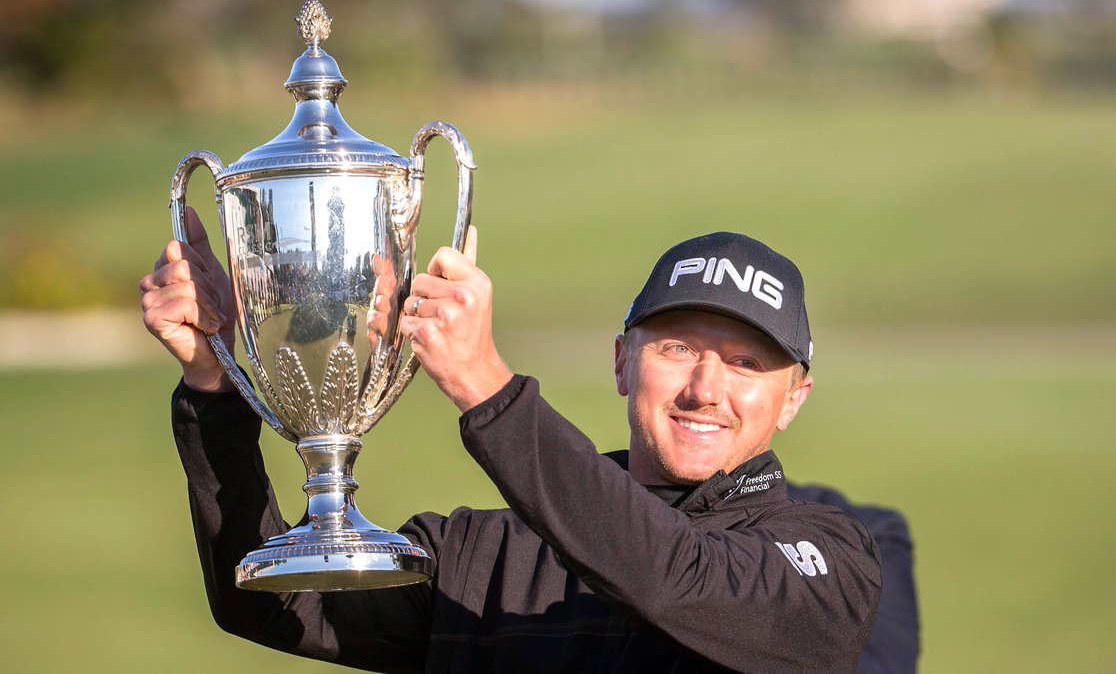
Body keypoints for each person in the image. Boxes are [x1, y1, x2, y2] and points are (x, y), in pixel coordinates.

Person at [142, 212, 895, 672]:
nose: (705, 387)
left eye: (745, 363)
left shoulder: (828, 563)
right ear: (621, 362)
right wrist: (215, 390)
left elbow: (674, 575)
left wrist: (487, 387)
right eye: (675, 349)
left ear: (792, 398)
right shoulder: (487, 556)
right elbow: (275, 600)